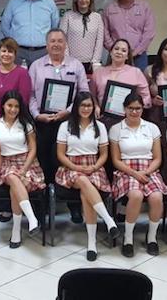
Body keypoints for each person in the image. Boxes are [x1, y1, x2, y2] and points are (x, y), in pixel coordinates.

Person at [55, 91, 121, 261]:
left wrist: (93, 167)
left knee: (86, 193)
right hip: (70, 167)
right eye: (82, 105)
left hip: (94, 167)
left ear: (94, 107)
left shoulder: (99, 127)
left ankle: (92, 243)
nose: (86, 109)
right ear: (76, 107)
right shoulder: (65, 126)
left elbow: (104, 155)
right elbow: (61, 155)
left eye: (89, 105)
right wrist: (76, 167)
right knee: (83, 180)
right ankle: (108, 220)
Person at [28, 30, 90, 190]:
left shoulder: (76, 65)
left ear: (66, 44)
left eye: (60, 41)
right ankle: (44, 198)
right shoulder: (36, 66)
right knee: (43, 158)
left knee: (67, 158)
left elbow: (84, 93)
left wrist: (69, 111)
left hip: (69, 120)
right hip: (42, 120)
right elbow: (30, 95)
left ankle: (69, 199)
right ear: (47, 45)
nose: (56, 44)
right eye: (52, 41)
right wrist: (36, 115)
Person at [109, 93, 167, 257]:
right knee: (135, 195)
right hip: (126, 170)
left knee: (156, 197)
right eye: (131, 108)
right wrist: (135, 173)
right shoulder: (116, 129)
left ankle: (152, 238)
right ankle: (128, 239)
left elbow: (157, 158)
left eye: (138, 108)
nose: (134, 112)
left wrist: (146, 172)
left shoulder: (151, 128)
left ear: (143, 109)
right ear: (124, 109)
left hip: (149, 169)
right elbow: (116, 160)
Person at [0, 37, 33, 222]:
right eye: (3, 50)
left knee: (12, 170)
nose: (6, 54)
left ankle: (15, 208)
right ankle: (2, 206)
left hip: (15, 127)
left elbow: (24, 101)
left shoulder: (22, 73)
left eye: (10, 51)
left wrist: (9, 123)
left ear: (15, 54)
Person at [0, 91, 44, 248]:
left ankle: (16, 230)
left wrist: (24, 169)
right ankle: (31, 218)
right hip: (7, 163)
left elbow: (33, 150)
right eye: (9, 105)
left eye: (16, 106)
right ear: (3, 106)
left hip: (28, 163)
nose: (13, 109)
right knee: (12, 177)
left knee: (14, 185)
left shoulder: (26, 124)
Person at [1, 0, 59, 66]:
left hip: (43, 52)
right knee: (18, 80)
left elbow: (55, 28)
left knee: (41, 81)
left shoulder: (49, 3)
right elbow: (5, 26)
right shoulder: (13, 3)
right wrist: (14, 44)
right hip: (18, 52)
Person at [92, 38, 151, 126]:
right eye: (116, 49)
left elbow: (146, 98)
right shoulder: (98, 72)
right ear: (111, 52)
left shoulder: (136, 72)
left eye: (123, 50)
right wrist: (96, 106)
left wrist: (133, 109)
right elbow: (91, 94)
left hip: (127, 119)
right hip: (101, 117)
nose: (119, 52)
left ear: (127, 56)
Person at [103, 0, 155, 70]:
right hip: (115, 56)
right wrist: (114, 50)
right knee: (114, 82)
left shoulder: (144, 7)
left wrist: (135, 52)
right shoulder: (110, 9)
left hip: (138, 57)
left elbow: (149, 33)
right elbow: (104, 32)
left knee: (139, 83)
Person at [59, 0, 105, 73]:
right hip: (71, 62)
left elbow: (99, 41)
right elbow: (62, 39)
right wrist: (67, 60)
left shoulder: (97, 17)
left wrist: (95, 61)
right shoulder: (68, 16)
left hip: (91, 64)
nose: (83, 0)